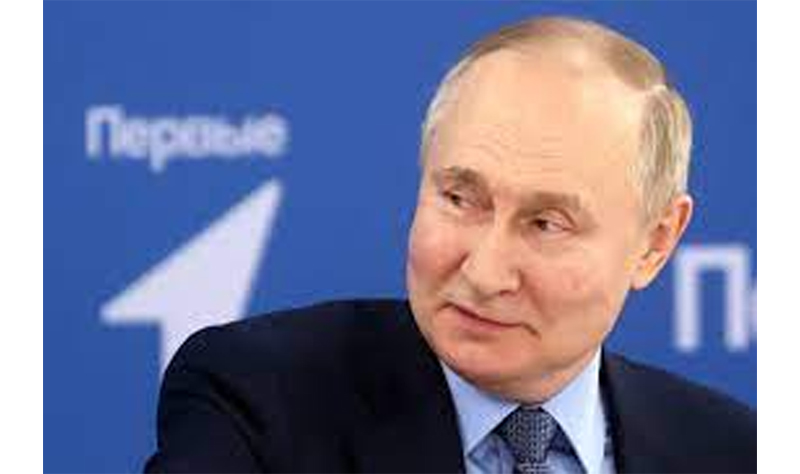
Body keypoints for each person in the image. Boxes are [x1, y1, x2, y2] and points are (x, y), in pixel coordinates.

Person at [145, 15, 755, 474]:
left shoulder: (736, 451)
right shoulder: (258, 402)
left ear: (654, 243)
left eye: (546, 224)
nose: (484, 273)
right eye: (461, 199)